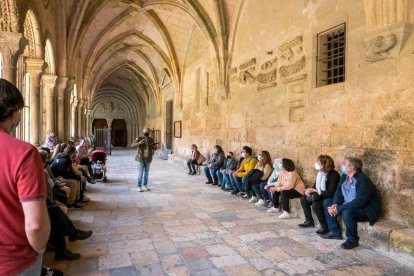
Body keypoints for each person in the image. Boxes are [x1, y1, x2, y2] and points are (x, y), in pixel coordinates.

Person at [0, 79, 50, 275]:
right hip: (13, 262)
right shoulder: (23, 152)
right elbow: (36, 224)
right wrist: (40, 249)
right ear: (13, 113)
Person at [322, 157, 381, 250]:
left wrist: (340, 208)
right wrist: (335, 205)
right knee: (327, 202)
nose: (342, 165)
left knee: (347, 212)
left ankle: (352, 240)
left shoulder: (363, 180)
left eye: (344, 163)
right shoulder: (344, 176)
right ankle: (335, 231)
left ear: (352, 167)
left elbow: (359, 203)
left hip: (365, 209)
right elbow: (338, 193)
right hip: (348, 204)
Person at [298, 155, 340, 234]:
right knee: (303, 198)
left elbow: (331, 192)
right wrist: (309, 191)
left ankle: (324, 226)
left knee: (316, 205)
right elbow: (315, 187)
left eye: (318, 163)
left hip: (328, 197)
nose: (316, 164)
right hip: (320, 195)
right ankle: (309, 220)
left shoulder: (334, 175)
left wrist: (315, 191)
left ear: (325, 164)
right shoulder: (320, 173)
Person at [131, 127, 158, 192]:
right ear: (143, 132)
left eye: (148, 132)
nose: (146, 133)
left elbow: (155, 148)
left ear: (149, 132)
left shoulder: (151, 139)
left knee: (146, 173)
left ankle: (145, 185)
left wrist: (154, 147)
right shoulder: (139, 138)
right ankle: (139, 186)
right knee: (140, 172)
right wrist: (139, 143)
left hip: (148, 158)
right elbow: (132, 145)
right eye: (145, 131)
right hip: (141, 158)